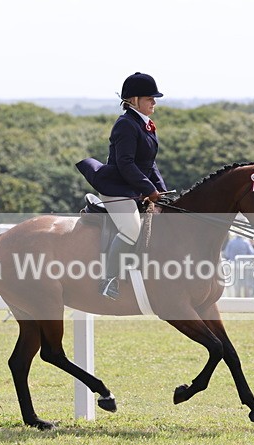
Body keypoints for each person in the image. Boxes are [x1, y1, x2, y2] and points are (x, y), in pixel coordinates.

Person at [75, 72, 168, 299]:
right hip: (116, 188)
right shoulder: (126, 124)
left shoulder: (144, 125)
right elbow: (125, 164)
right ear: (134, 100)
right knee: (131, 229)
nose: (154, 102)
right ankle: (108, 280)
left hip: (134, 188)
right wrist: (149, 189)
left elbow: (149, 163)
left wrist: (161, 190)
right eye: (149, 98)